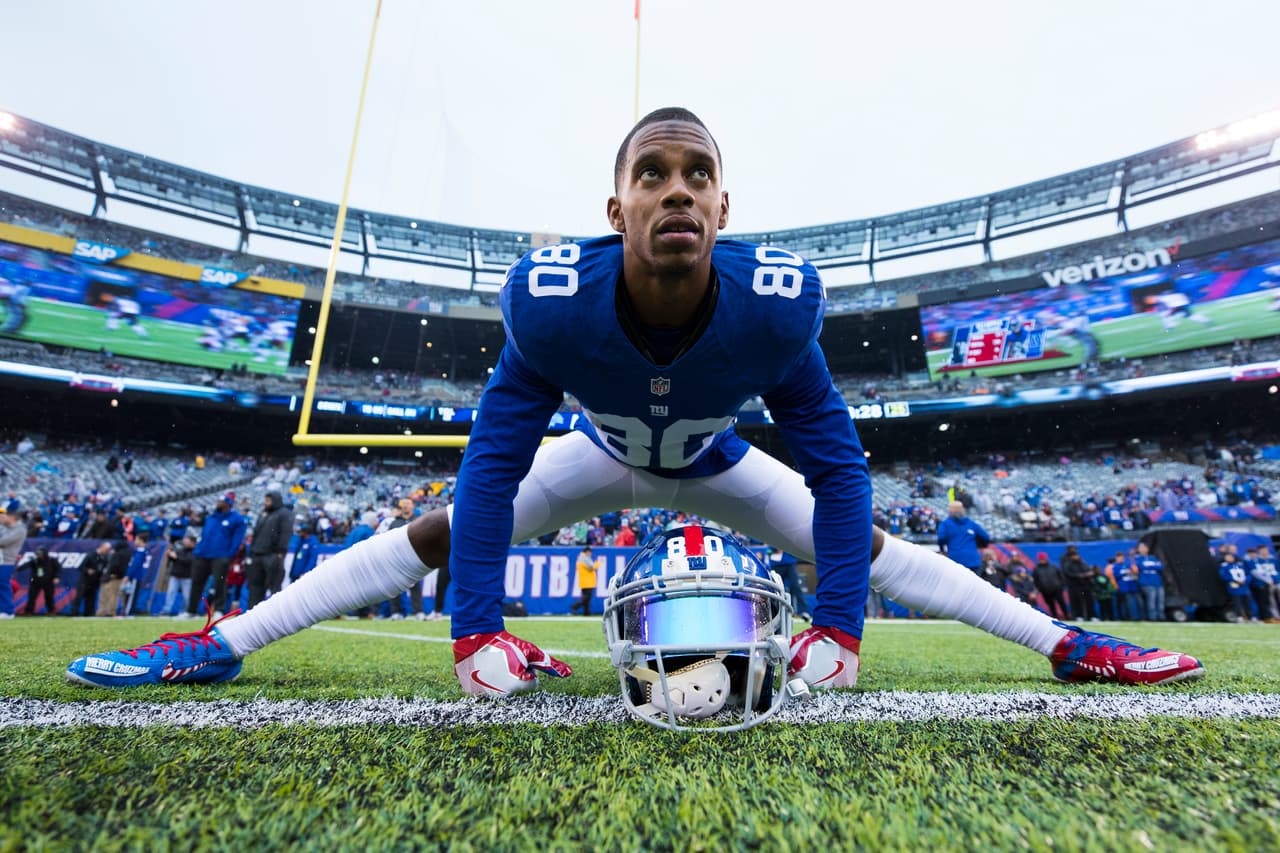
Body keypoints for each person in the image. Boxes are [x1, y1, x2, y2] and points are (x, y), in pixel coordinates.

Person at [66, 107, 1203, 693]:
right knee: (430, 527)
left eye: (694, 174)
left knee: (872, 542)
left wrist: (842, 625)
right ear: (614, 210)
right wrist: (473, 629)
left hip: (713, 459)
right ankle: (218, 640)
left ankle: (1069, 643)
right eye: (651, 174)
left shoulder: (773, 306)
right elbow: (491, 468)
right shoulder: (552, 304)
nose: (674, 189)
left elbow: (842, 469)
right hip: (598, 450)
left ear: (723, 203)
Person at [187, 495, 246, 618]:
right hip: (203, 554)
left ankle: (219, 609)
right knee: (197, 582)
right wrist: (198, 550)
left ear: (228, 503)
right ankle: (191, 611)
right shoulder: (211, 517)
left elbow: (237, 539)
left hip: (221, 556)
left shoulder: (236, 519)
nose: (218, 502)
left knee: (220, 582)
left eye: (221, 501)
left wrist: (230, 554)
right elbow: (204, 534)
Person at [246, 491, 292, 609]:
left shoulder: (284, 514)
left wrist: (280, 552)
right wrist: (252, 551)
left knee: (274, 587)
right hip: (257, 555)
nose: (265, 503)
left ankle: (276, 614)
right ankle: (252, 613)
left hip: (272, 555)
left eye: (268, 500)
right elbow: (256, 533)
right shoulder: (263, 513)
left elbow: (285, 533)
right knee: (255, 586)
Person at [935, 501, 990, 576]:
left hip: (956, 560)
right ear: (963, 510)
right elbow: (985, 537)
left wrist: (942, 550)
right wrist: (979, 545)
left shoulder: (945, 524)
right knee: (974, 586)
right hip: (973, 560)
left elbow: (941, 538)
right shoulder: (971, 523)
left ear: (950, 511)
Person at [0, 510, 27, 619]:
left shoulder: (19, 530)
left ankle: (8, 611)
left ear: (11, 518)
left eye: (2, 517)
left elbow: (3, 541)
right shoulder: (5, 528)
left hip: (6, 561)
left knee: (3, 585)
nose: (1, 520)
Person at [19, 546, 60, 615]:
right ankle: (29, 611)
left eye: (40, 554)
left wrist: (56, 577)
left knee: (49, 597)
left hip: (48, 581)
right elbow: (24, 566)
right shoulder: (35, 561)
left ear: (45, 554)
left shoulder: (51, 560)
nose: (39, 555)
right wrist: (17, 568)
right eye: (38, 554)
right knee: (32, 597)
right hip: (36, 581)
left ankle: (51, 611)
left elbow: (58, 569)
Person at [95, 540, 131, 618]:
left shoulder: (117, 554)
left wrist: (112, 573)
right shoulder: (128, 554)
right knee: (115, 595)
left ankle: (105, 611)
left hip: (113, 577)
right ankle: (109, 611)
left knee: (108, 595)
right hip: (120, 576)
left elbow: (114, 565)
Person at [1060, 545, 1096, 621]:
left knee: (1089, 601)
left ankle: (1091, 616)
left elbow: (1088, 570)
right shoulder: (1067, 563)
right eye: (1075, 555)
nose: (1077, 556)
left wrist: (1089, 574)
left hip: (1085, 585)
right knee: (1076, 602)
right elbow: (1068, 573)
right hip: (1074, 586)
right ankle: (1079, 616)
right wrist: (1080, 575)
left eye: (1077, 554)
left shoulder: (1082, 563)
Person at [75, 542, 111, 617]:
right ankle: (74, 612)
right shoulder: (91, 555)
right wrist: (88, 570)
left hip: (95, 581)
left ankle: (89, 613)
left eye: (108, 549)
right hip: (84, 580)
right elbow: (81, 567)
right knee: (79, 597)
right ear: (101, 547)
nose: (107, 551)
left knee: (91, 598)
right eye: (106, 549)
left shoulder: (105, 557)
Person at [1133, 542, 1166, 622]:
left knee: (1160, 601)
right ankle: (1153, 618)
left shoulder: (1153, 557)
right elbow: (1140, 566)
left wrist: (1148, 566)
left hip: (1158, 582)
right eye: (1141, 547)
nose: (1143, 549)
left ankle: (1161, 617)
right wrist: (1153, 566)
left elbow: (1161, 567)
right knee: (1151, 601)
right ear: (1138, 549)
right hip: (1146, 583)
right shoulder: (1137, 558)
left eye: (1144, 547)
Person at [1032, 552, 1069, 620]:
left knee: (1061, 603)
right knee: (1051, 605)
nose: (1042, 560)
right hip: (1045, 591)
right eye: (1041, 559)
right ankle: (1055, 617)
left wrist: (1061, 586)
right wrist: (1040, 589)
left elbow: (1060, 576)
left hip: (1057, 589)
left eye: (1043, 559)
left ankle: (1067, 616)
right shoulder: (1036, 569)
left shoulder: (1053, 566)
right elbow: (1036, 580)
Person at [165, 535, 196, 617]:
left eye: (187, 541)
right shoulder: (180, 550)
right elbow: (173, 559)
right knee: (170, 593)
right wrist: (169, 555)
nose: (185, 542)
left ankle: (185, 611)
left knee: (187, 597)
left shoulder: (195, 552)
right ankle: (166, 610)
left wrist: (176, 557)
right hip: (175, 576)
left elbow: (188, 561)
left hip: (187, 577)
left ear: (192, 542)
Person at [1219, 551, 1252, 623]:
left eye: (1230, 557)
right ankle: (1240, 617)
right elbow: (1223, 576)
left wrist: (1245, 580)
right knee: (1237, 603)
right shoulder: (1224, 566)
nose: (1229, 558)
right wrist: (1235, 580)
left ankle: (1251, 617)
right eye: (1227, 557)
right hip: (1234, 587)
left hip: (1244, 587)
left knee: (1247, 603)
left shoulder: (1241, 564)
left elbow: (1249, 574)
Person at [1250, 545, 1279, 624]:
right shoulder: (1257, 561)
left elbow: (1278, 570)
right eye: (1262, 550)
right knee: (1270, 601)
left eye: (1265, 550)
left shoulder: (1273, 560)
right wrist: (1268, 580)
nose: (1264, 551)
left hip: (1277, 582)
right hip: (1267, 584)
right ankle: (1275, 617)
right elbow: (1257, 573)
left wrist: (1277, 579)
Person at [1111, 550, 1142, 621]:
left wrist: (1133, 573)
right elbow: (1116, 576)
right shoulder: (1115, 566)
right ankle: (1131, 618)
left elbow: (1135, 573)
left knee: (1139, 603)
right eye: (1119, 557)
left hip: (1133, 586)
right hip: (1124, 588)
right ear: (1116, 558)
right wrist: (1125, 572)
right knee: (1128, 604)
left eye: (1122, 557)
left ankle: (1141, 617)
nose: (1121, 559)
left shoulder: (1128, 565)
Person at [569, 545, 597, 616]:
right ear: (587, 551)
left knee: (587, 598)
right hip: (587, 581)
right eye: (590, 552)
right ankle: (575, 606)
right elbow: (592, 567)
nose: (591, 553)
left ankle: (586, 612)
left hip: (584, 581)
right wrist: (598, 564)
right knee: (586, 597)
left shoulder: (581, 558)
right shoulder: (585, 558)